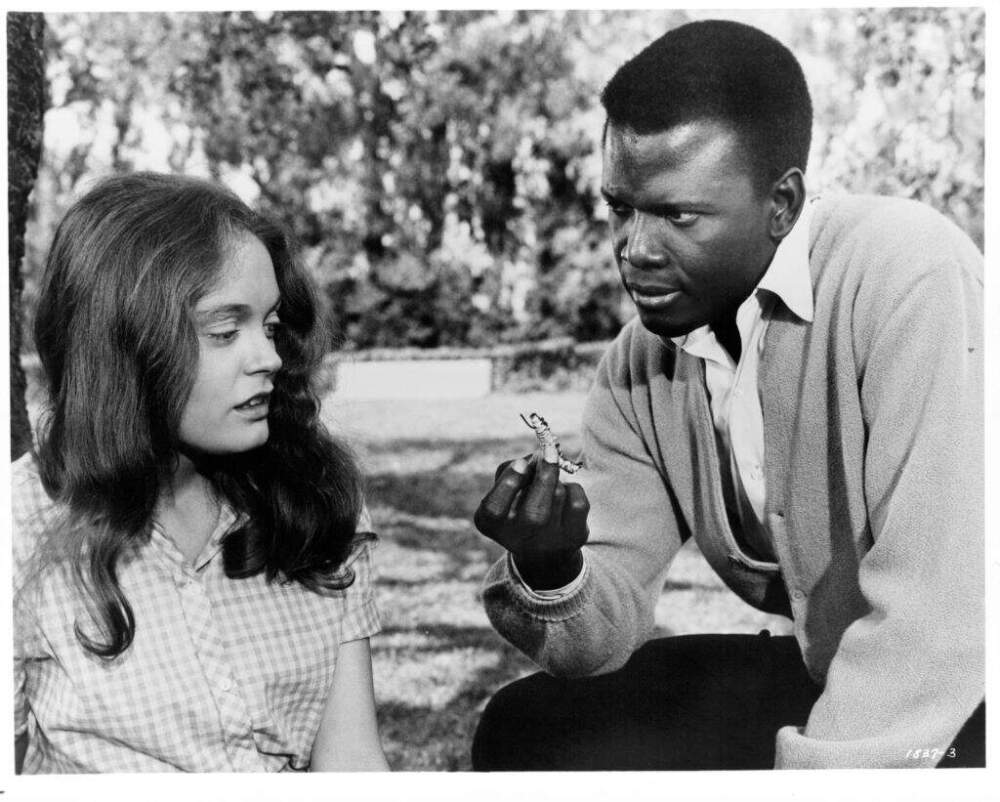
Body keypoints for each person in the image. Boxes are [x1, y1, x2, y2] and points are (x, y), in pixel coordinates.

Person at [471, 20, 984, 770]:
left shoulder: (908, 273)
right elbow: (595, 642)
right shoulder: (636, 366)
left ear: (782, 203)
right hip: (840, 677)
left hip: (969, 692)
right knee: (532, 726)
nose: (633, 249)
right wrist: (554, 571)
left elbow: (943, 613)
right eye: (621, 207)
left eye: (678, 215)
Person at [12, 172, 389, 773]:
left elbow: (352, 765)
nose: (268, 357)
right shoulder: (20, 526)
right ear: (124, 343)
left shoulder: (313, 497)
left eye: (268, 327)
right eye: (224, 330)